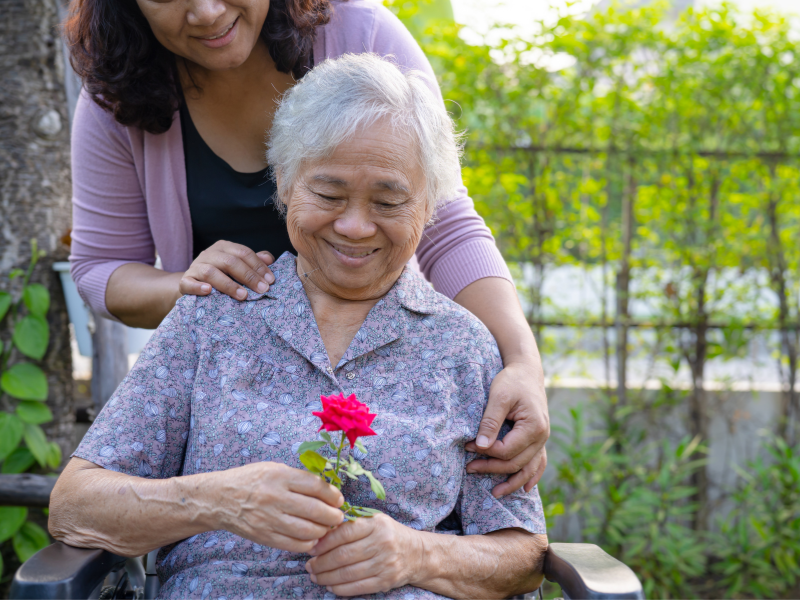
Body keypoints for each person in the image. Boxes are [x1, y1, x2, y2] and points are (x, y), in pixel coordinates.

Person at [50, 53, 548, 600]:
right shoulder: (214, 317)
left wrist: (418, 554)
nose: (355, 226)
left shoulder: (464, 347)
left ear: (429, 206)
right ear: (285, 182)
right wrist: (219, 500)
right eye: (329, 195)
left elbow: (523, 555)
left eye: (388, 200)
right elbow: (75, 505)